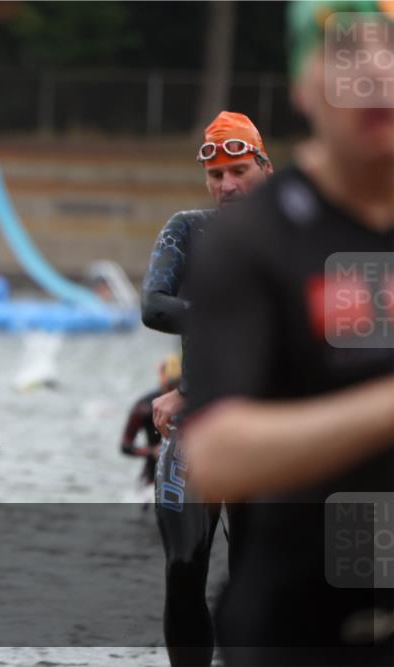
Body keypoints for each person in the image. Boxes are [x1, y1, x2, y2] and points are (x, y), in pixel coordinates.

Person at [181, 3, 394, 665]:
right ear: (300, 86)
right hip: (300, 627)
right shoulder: (249, 241)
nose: (373, 72)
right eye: (344, 51)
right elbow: (213, 454)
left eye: (390, 47)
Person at [140, 110, 274, 667]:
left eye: (239, 171)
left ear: (265, 166)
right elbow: (154, 306)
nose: (228, 186)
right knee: (182, 569)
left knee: (256, 580)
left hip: (271, 430)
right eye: (217, 176)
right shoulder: (188, 229)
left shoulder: (293, 236)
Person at [120, 354, 182, 495]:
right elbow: (125, 446)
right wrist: (152, 451)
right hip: (151, 479)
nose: (173, 389)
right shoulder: (144, 407)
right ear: (162, 380)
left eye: (178, 385)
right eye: (170, 385)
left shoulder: (193, 402)